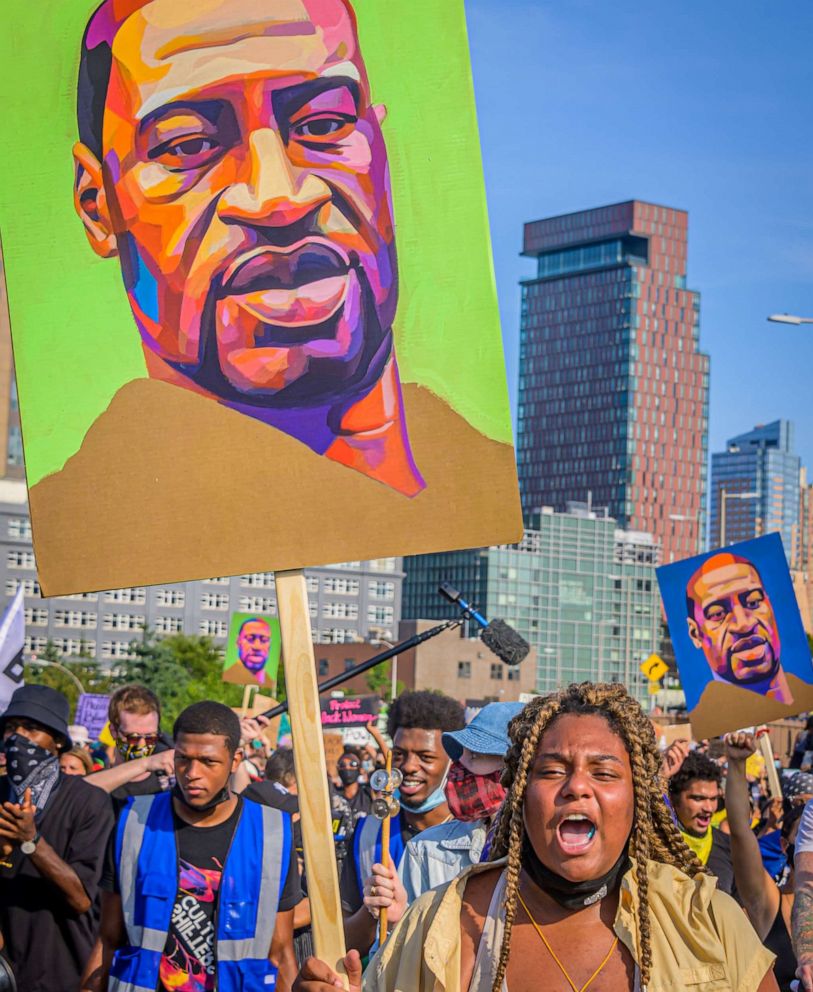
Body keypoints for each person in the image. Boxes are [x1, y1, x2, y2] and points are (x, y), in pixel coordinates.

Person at [29, 0, 519, 597]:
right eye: (186, 147)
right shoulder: (86, 521)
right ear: (98, 206)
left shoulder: (475, 479)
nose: (277, 198)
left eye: (322, 125)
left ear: (379, 149)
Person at [294, 682, 779, 992]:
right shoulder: (439, 924)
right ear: (519, 794)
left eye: (605, 774)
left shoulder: (707, 921)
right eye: (551, 770)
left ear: (638, 799)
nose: (577, 786)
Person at [81, 701, 300, 991]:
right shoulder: (134, 823)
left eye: (208, 762)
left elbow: (281, 952)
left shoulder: (272, 833)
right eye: (183, 759)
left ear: (235, 760)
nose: (192, 772)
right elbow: (108, 938)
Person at [364, 701, 522, 924]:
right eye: (462, 754)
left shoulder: (558, 858)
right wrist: (400, 922)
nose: (460, 766)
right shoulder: (426, 850)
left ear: (517, 768)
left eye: (476, 755)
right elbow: (393, 955)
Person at [0, 685, 114, 992]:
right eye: (11, 728)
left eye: (32, 729)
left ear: (58, 742)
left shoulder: (88, 802)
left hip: (59, 971)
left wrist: (31, 841)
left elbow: (81, 899)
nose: (18, 737)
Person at [341, 690, 464, 956]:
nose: (408, 766)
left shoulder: (474, 838)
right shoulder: (367, 832)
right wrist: (372, 909)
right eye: (399, 754)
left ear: (452, 763)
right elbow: (346, 943)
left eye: (426, 757)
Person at [685, 551, 791, 704]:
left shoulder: (806, 694)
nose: (743, 624)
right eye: (718, 613)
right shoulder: (706, 716)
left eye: (753, 602)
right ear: (696, 634)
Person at [86, 684, 175, 804]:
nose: (141, 745)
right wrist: (144, 764)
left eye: (150, 737)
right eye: (132, 737)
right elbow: (76, 793)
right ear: (114, 732)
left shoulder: (170, 784)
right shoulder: (98, 783)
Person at [668, 748, 735, 893]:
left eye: (713, 799)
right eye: (698, 798)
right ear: (673, 798)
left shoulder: (729, 846)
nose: (709, 808)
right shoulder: (655, 843)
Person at [336, 748, 373, 824]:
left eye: (353, 764)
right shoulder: (332, 794)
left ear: (360, 769)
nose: (347, 768)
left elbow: (386, 768)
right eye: (342, 765)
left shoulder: (369, 793)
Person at [236, 617, 273, 683]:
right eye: (250, 639)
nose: (257, 647)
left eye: (264, 640)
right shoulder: (231, 676)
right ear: (238, 641)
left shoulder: (271, 683)